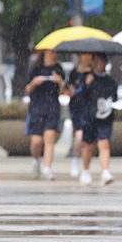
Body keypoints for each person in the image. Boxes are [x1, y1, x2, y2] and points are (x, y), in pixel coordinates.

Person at [25, 50, 66, 180]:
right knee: (37, 141)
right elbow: (27, 89)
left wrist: (60, 82)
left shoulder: (58, 69)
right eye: (51, 52)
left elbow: (63, 92)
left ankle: (47, 167)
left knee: (50, 137)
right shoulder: (35, 68)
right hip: (37, 107)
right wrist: (34, 83)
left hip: (52, 108)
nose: (54, 54)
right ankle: (36, 161)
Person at [78, 53, 117, 186]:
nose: (96, 64)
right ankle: (86, 169)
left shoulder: (110, 81)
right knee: (89, 145)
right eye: (94, 61)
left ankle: (105, 171)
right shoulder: (87, 77)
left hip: (105, 116)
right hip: (90, 116)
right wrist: (86, 84)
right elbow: (79, 96)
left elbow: (114, 98)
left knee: (104, 143)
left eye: (99, 61)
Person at [68, 53, 92, 179]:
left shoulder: (93, 73)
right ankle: (76, 160)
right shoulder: (74, 73)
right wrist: (82, 86)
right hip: (77, 107)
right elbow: (71, 91)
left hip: (90, 107)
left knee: (89, 138)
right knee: (79, 134)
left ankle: (85, 166)